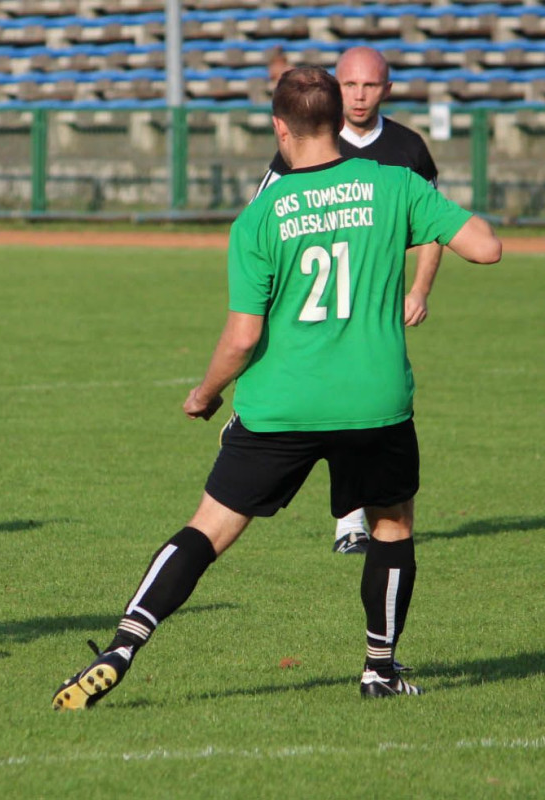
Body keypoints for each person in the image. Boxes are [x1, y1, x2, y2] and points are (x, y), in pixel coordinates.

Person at [52, 66, 500, 710]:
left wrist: (205, 394)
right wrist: (422, 219)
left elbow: (240, 338)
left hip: (282, 404)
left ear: (280, 128)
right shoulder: (395, 183)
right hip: (374, 403)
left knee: (206, 531)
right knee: (392, 526)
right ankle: (379, 668)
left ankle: (121, 647)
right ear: (338, 122)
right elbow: (486, 248)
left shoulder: (260, 216)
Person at [254, 46, 444, 555]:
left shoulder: (408, 148)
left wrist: (419, 289)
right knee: (338, 400)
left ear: (387, 88)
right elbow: (262, 217)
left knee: (371, 402)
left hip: (375, 307)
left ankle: (380, 520)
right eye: (350, 85)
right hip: (314, 309)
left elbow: (433, 228)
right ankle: (350, 523)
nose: (359, 96)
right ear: (336, 88)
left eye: (370, 85)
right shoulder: (309, 141)